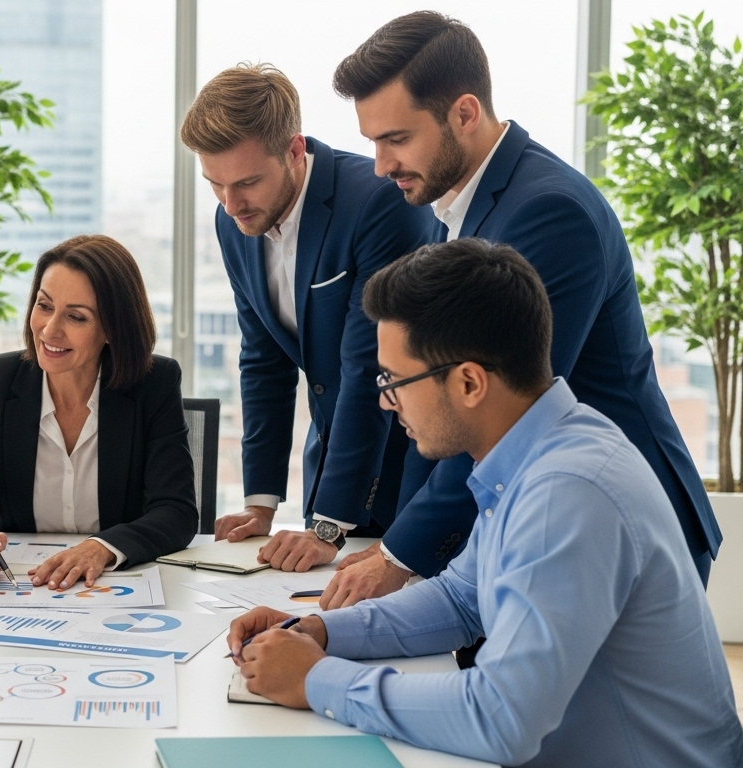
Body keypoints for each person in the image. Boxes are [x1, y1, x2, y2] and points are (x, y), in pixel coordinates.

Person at [227, 239, 743, 768]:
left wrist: (315, 679)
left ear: (470, 381)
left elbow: (501, 719)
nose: (386, 401)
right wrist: (320, 631)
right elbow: (461, 598)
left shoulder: (566, 491)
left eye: (395, 381)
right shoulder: (540, 446)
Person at [323, 11, 720, 610]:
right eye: (372, 143)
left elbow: (499, 411)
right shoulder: (451, 206)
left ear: (464, 113)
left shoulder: (549, 213)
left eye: (396, 139)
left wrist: (399, 556)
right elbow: (440, 404)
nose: (380, 166)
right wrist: (398, 549)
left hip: (618, 525)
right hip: (543, 514)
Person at [180, 63, 433, 584]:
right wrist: (261, 503)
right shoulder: (233, 223)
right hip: (330, 478)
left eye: (248, 182)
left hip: (410, 473)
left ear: (295, 151)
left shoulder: (377, 203)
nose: (231, 205)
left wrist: (328, 526)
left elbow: (369, 368)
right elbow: (263, 361)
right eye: (216, 185)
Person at [0, 235, 198, 589]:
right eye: (44, 306)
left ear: (113, 329)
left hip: (115, 587)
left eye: (76, 316)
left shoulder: (155, 384)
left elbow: (176, 511)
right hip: (19, 587)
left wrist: (102, 548)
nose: (50, 329)